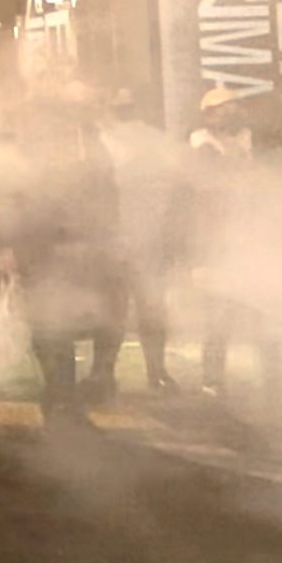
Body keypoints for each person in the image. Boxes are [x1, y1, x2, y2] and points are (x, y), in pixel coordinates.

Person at [8, 94, 121, 431]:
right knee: (50, 328)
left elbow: (105, 205)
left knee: (58, 327)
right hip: (47, 253)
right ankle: (60, 396)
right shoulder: (40, 159)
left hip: (66, 254)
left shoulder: (89, 155)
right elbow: (19, 205)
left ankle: (64, 397)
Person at [190, 87, 278, 407]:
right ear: (209, 116)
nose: (229, 114)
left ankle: (272, 378)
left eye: (232, 107)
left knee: (262, 313)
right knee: (218, 317)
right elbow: (202, 201)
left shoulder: (251, 142)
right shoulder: (202, 148)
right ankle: (212, 380)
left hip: (253, 241)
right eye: (221, 109)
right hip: (218, 246)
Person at [98, 89, 183, 395]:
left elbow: (171, 186)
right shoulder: (109, 140)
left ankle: (143, 372)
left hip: (138, 236)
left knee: (139, 309)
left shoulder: (119, 141)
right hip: (126, 236)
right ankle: (114, 373)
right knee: (126, 310)